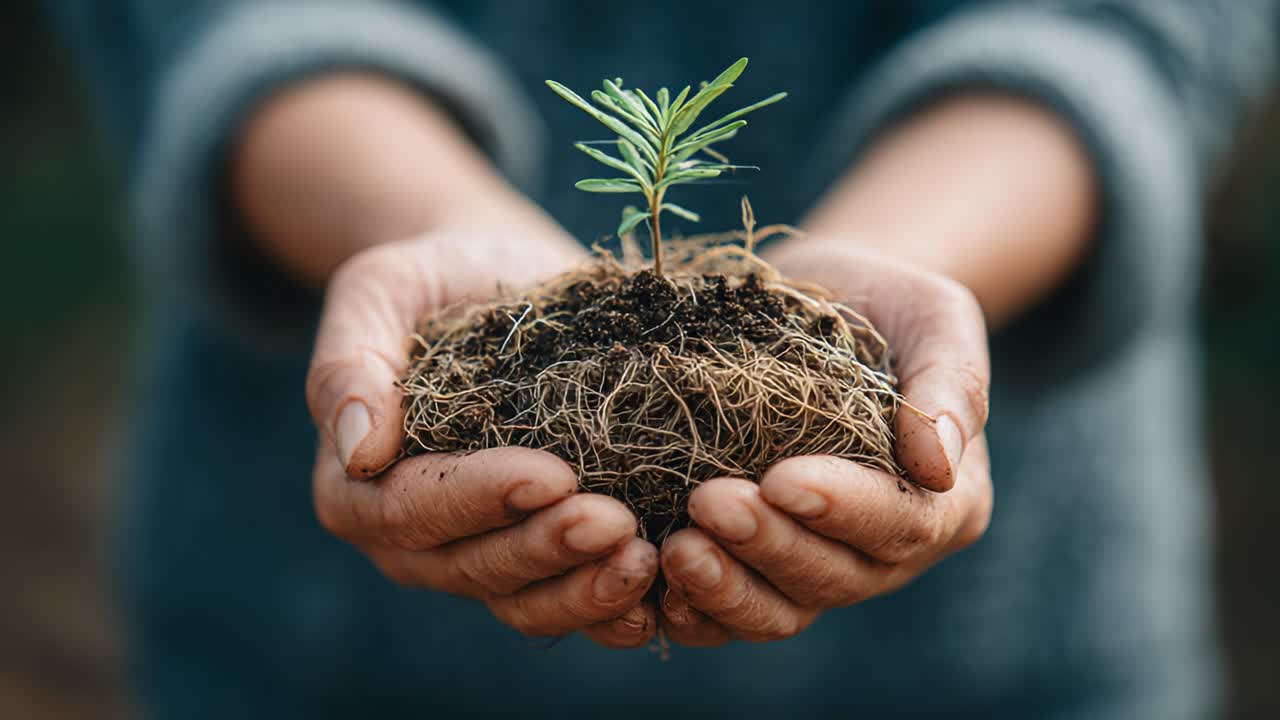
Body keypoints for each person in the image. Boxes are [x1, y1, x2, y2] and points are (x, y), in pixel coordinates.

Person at [50, 0, 1276, 717]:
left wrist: (900, 270)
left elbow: (1127, 28)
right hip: (323, 665)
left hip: (998, 673)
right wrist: (418, 221)